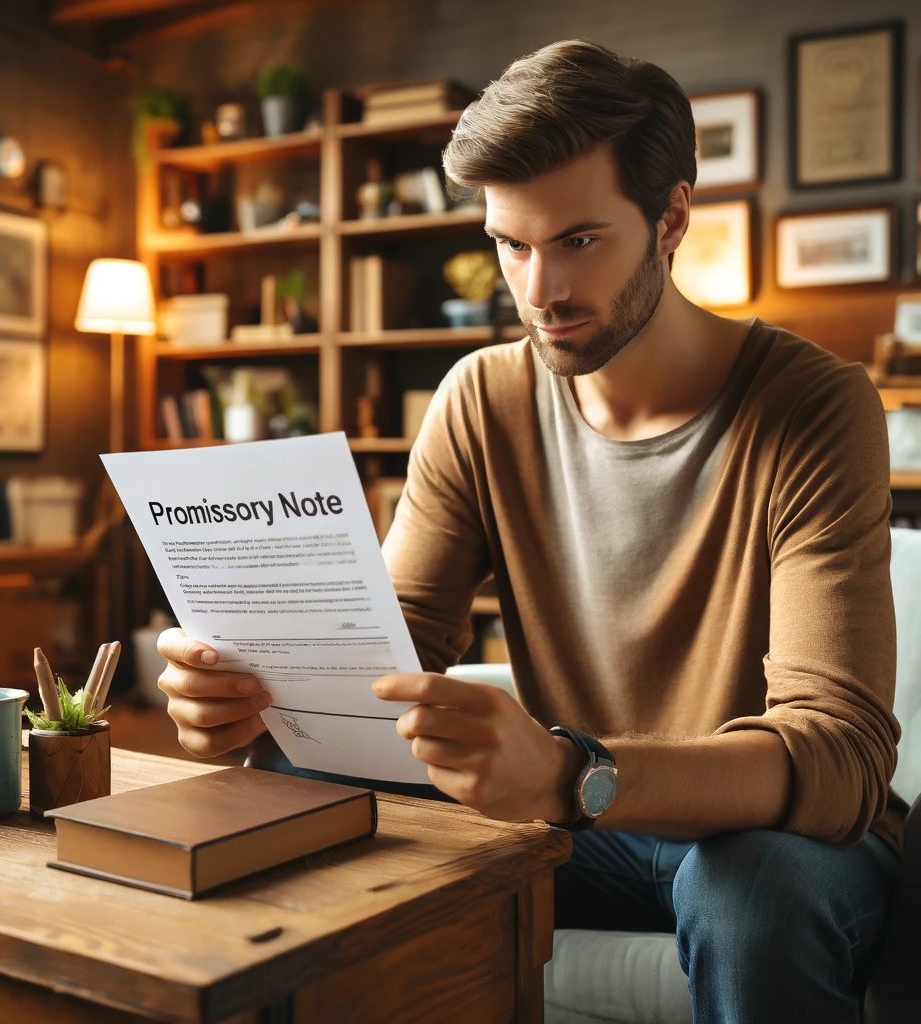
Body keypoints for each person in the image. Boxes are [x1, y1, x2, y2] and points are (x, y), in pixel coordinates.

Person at [156, 40, 903, 1022]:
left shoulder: (814, 404)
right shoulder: (481, 398)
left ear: (671, 217)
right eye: (512, 243)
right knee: (287, 782)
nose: (539, 287)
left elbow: (839, 759)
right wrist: (247, 701)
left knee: (747, 897)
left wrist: (566, 770)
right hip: (573, 824)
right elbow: (390, 653)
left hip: (766, 838)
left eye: (579, 240)